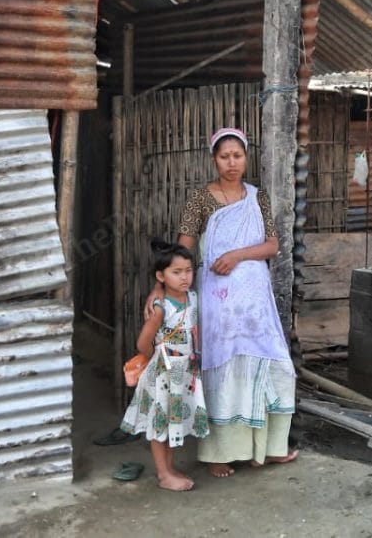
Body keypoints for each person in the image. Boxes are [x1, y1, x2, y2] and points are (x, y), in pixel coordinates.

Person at [148, 126, 299, 479]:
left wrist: (236, 255)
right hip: (219, 302)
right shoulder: (201, 198)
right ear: (214, 159)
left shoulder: (257, 197)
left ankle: (269, 448)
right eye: (224, 156)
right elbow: (182, 250)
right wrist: (158, 289)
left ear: (246, 158)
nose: (232, 163)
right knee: (222, 369)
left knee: (269, 362)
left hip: (254, 303)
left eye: (238, 155)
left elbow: (271, 245)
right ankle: (219, 453)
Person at [120, 239, 209, 492]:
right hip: (164, 372)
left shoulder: (192, 297)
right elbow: (142, 343)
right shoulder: (160, 307)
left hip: (185, 371)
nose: (184, 277)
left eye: (188, 271)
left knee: (173, 420)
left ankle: (170, 469)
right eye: (176, 272)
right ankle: (163, 474)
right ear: (161, 276)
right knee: (160, 422)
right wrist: (160, 357)